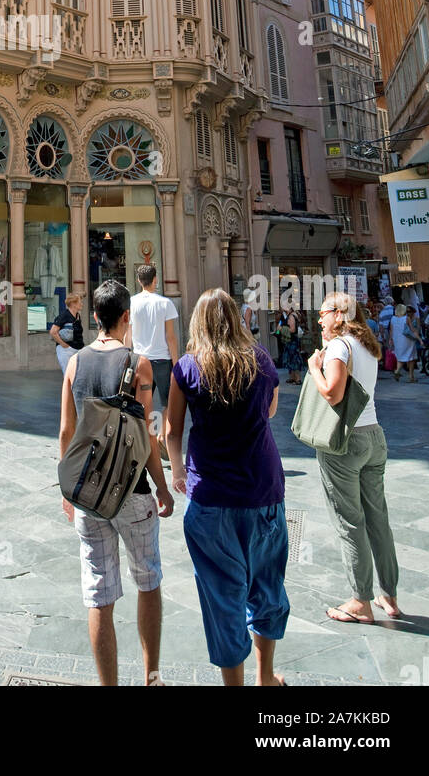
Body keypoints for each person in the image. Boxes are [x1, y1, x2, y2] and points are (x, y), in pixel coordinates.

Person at [166, 288, 289, 687]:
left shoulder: (186, 368)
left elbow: (172, 429)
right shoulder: (262, 360)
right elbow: (269, 411)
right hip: (262, 489)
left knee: (222, 597)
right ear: (237, 320)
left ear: (198, 323)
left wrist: (177, 473)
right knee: (267, 585)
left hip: (211, 498)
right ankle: (265, 676)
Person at [59, 280, 174, 687]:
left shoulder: (74, 364)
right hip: (132, 491)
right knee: (148, 581)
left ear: (93, 317)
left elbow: (66, 433)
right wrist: (162, 485)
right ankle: (152, 677)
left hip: (88, 495)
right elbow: (148, 436)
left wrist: (68, 490)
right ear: (126, 317)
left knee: (99, 595)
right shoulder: (139, 365)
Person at [307, 292, 399, 625]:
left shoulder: (338, 347)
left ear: (340, 314)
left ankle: (360, 601)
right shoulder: (367, 347)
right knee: (377, 517)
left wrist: (313, 368)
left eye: (323, 313)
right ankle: (388, 593)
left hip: (346, 442)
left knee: (350, 522)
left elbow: (332, 392)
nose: (319, 319)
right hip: (375, 435)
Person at [126, 265, 179, 458]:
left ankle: (142, 439)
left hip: (139, 359)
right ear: (155, 279)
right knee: (167, 403)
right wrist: (177, 362)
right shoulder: (165, 303)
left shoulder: (131, 303)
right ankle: (160, 436)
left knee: (140, 401)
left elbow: (128, 334)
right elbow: (170, 336)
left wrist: (126, 355)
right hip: (162, 360)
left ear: (139, 281)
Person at [49, 291, 85, 374]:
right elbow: (53, 332)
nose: (82, 304)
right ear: (73, 304)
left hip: (78, 349)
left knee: (78, 376)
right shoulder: (64, 315)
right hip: (67, 350)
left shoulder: (77, 316)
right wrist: (64, 345)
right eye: (80, 302)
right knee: (69, 375)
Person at [388, 301, 422, 383]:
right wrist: (420, 339)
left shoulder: (392, 318)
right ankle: (411, 377)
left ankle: (397, 371)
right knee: (411, 357)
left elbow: (391, 331)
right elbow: (412, 330)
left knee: (400, 357)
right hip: (407, 340)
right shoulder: (406, 318)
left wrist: (391, 339)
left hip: (397, 340)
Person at [277, 307, 304, 385]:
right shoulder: (287, 315)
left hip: (293, 341)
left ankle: (297, 379)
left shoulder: (291, 316)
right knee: (290, 359)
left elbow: (292, 330)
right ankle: (292, 377)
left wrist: (281, 328)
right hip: (290, 340)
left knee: (294, 359)